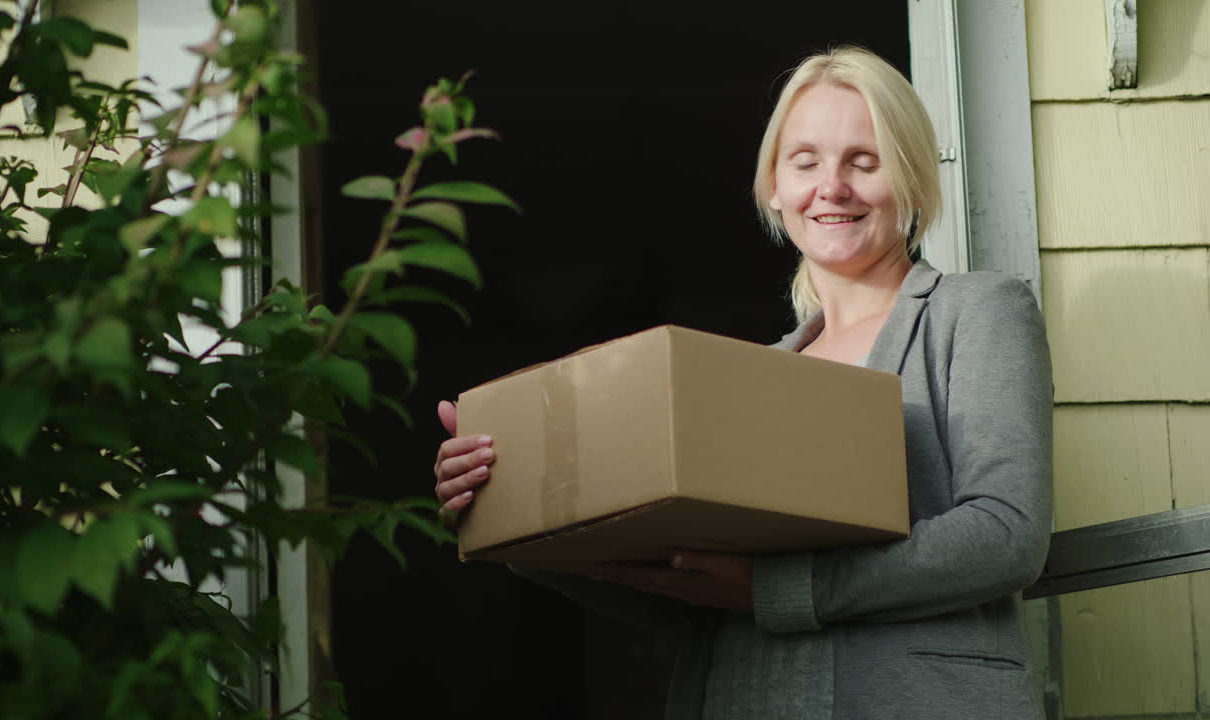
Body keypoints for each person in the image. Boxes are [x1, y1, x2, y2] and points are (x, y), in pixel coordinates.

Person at [433, 46, 1052, 719]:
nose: (832, 187)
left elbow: (1005, 534)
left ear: (910, 177)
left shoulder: (979, 310)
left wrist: (778, 589)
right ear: (775, 188)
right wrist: (520, 514)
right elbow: (677, 591)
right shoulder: (746, 379)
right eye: (806, 162)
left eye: (863, 162)